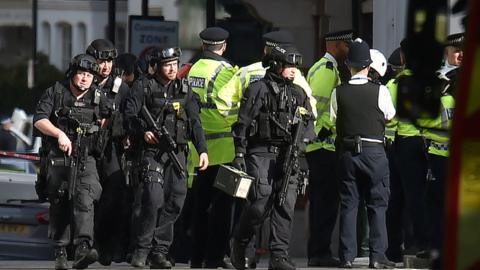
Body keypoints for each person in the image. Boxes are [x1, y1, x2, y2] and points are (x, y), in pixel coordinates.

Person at [230, 45, 315, 270]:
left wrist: (302, 145)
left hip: (289, 155)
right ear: (277, 65)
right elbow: (242, 123)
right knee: (260, 202)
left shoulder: (299, 93)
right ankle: (240, 242)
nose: (293, 70)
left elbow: (310, 125)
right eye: (289, 65)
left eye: (295, 66)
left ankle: (279, 255)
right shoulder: (258, 89)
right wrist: (239, 153)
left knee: (285, 205)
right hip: (260, 152)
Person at [124, 46, 209, 269]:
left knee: (176, 200)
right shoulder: (144, 87)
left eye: (175, 64)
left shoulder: (185, 89)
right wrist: (144, 132)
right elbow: (130, 117)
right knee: (153, 199)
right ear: (157, 67)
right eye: (167, 65)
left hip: (178, 152)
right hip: (152, 153)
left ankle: (159, 250)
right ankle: (142, 249)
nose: (172, 69)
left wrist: (203, 150)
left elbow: (195, 123)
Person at [33, 54, 107, 270]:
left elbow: (108, 119)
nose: (85, 79)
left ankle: (83, 247)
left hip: (86, 156)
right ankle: (60, 251)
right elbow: (39, 119)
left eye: (89, 75)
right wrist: (59, 135)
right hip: (59, 157)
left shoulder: (98, 96)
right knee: (61, 201)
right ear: (73, 73)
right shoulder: (56, 92)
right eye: (82, 74)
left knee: (86, 197)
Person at [330, 39, 396, 269]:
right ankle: (377, 257)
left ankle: (347, 256)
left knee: (349, 204)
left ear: (348, 65)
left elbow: (332, 119)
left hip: (347, 152)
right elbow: (390, 115)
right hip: (374, 151)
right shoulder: (381, 90)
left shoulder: (338, 92)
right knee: (377, 204)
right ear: (369, 65)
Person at [187, 26, 239, 269]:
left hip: (197, 149)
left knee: (199, 206)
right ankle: (215, 257)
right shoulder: (227, 71)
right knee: (222, 208)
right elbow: (231, 107)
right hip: (223, 149)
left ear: (203, 46)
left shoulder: (192, 68)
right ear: (224, 46)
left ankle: (195, 257)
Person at [304, 29, 352, 267]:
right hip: (323, 146)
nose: (349, 49)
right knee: (325, 203)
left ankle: (318, 251)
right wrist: (325, 129)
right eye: (347, 45)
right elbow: (319, 107)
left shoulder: (323, 67)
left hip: (321, 147)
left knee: (323, 202)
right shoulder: (326, 70)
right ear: (336, 45)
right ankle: (319, 252)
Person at [416, 33, 462, 264]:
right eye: (456, 50)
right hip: (438, 155)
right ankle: (436, 247)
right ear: (447, 52)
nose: (460, 54)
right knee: (435, 205)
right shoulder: (437, 80)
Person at [85, 38, 132, 265]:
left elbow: (130, 115)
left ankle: (105, 246)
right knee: (88, 196)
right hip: (86, 147)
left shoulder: (120, 87)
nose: (105, 66)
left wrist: (125, 133)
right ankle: (85, 245)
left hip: (111, 147)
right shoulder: (82, 81)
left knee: (114, 197)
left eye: (110, 61)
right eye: (101, 61)